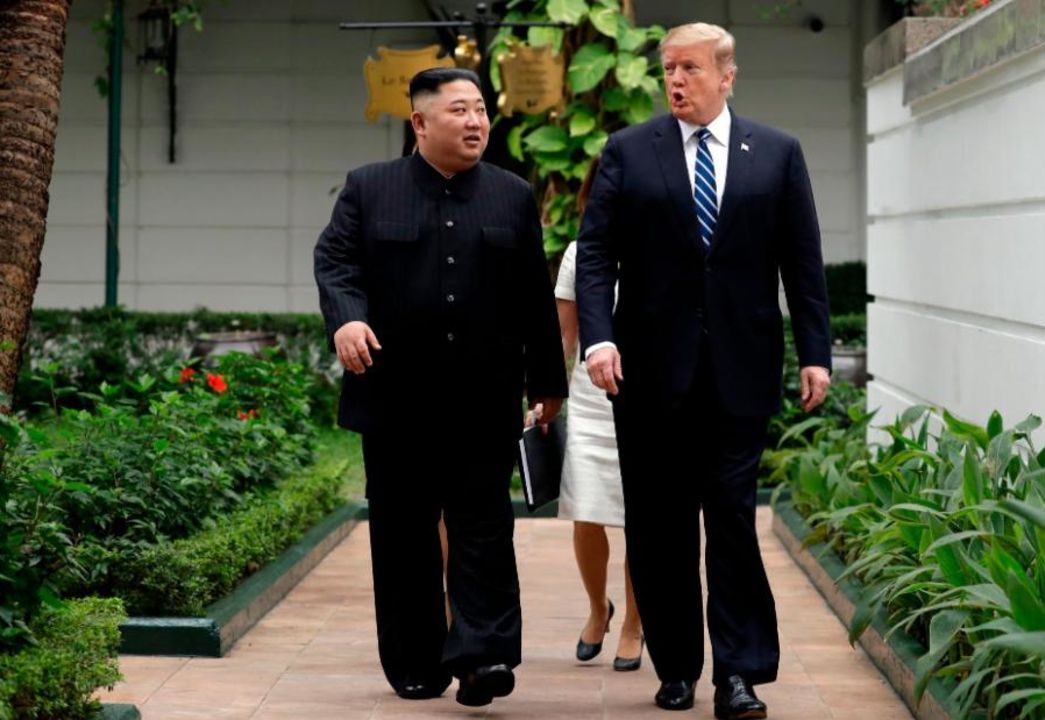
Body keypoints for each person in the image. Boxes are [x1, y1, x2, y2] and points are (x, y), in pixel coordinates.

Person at [575, 22, 833, 720]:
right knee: (659, 528)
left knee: (730, 522)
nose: (676, 81)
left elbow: (801, 263)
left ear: (728, 75)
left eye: (690, 68)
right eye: (668, 69)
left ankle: (739, 674)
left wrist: (816, 352)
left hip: (739, 372)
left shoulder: (777, 154)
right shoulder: (630, 151)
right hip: (648, 376)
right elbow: (596, 255)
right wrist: (597, 340)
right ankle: (678, 666)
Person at [313, 67, 566, 708]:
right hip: (394, 399)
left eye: (480, 109)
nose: (476, 121)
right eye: (459, 110)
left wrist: (547, 382)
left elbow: (536, 297)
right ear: (420, 122)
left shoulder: (511, 195)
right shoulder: (369, 189)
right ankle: (417, 660)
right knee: (404, 534)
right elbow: (336, 261)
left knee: (483, 528)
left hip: (483, 399)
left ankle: (482, 657)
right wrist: (348, 319)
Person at [552, 157, 644, 672]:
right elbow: (564, 337)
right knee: (586, 512)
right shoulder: (578, 253)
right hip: (590, 401)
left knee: (641, 519)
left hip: (649, 399)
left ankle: (634, 622)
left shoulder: (664, 245)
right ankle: (597, 608)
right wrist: (543, 396)